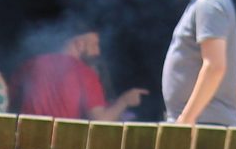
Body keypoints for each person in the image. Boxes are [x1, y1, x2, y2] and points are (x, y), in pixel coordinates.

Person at [160, 0, 236, 128]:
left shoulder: (209, 3)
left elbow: (215, 66)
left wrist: (187, 118)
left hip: (204, 125)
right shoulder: (204, 2)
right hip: (201, 123)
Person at [13, 26, 144, 122]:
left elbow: (9, 104)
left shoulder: (30, 65)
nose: (98, 52)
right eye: (94, 45)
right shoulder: (84, 73)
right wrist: (124, 101)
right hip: (63, 144)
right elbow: (100, 121)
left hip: (25, 142)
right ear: (79, 44)